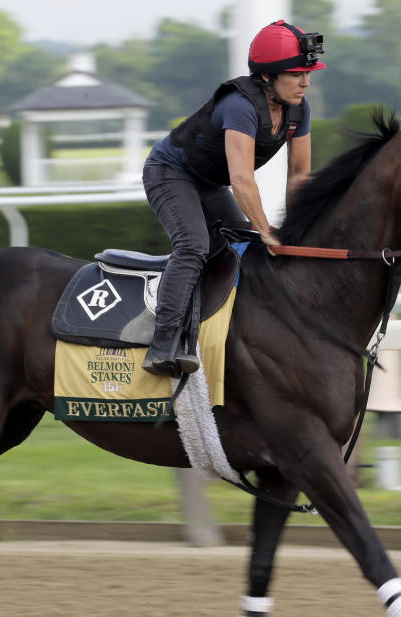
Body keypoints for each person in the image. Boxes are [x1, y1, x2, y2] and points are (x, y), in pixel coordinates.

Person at [141, 19, 325, 377]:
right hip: (169, 174)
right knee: (194, 246)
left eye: (308, 73)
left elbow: (299, 174)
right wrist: (267, 230)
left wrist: (294, 229)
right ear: (269, 76)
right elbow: (242, 179)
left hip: (209, 183)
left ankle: (222, 332)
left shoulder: (299, 109)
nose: (306, 82)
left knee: (243, 247)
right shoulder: (240, 106)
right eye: (297, 74)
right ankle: (161, 344)